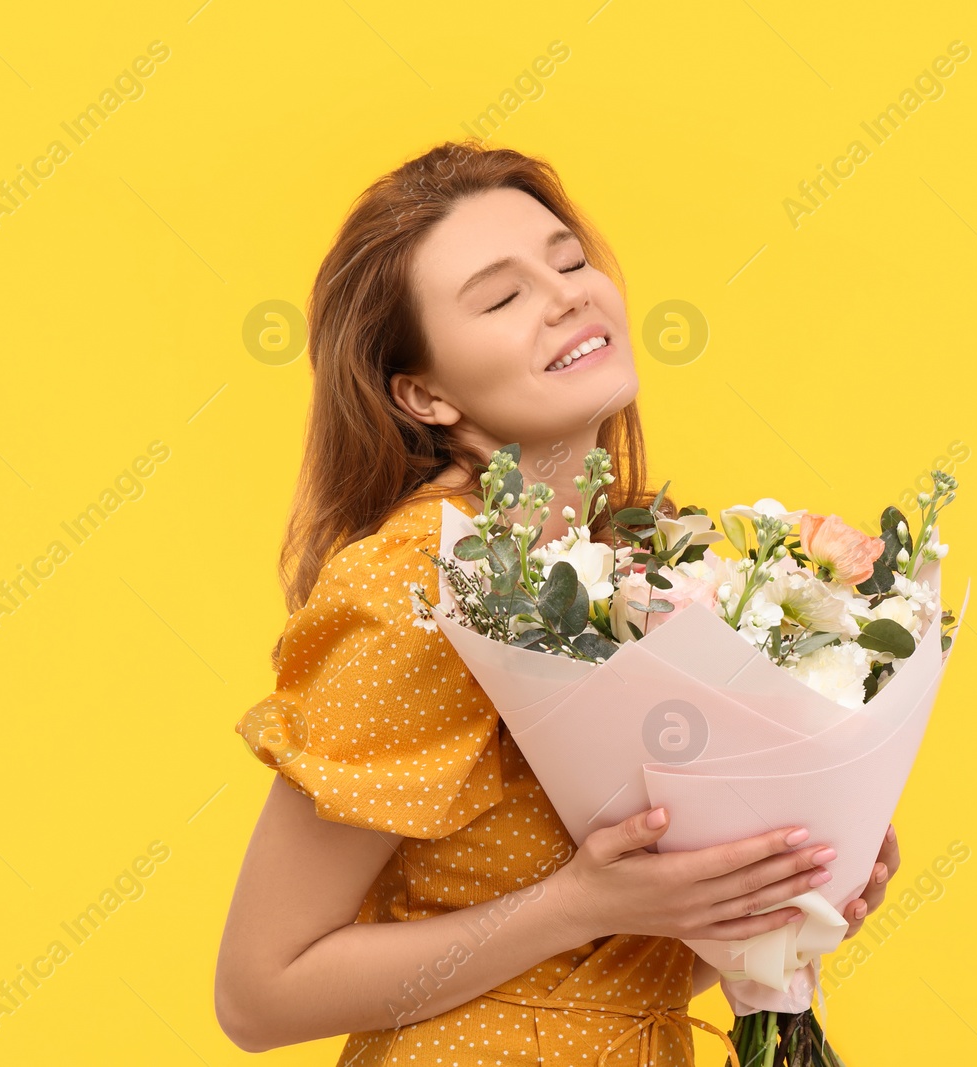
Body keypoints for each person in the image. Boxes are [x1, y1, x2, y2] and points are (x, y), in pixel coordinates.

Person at [217, 140, 901, 1064]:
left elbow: (593, 975)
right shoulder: (418, 582)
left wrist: (768, 901)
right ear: (423, 393)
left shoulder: (634, 561)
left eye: (569, 260)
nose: (567, 293)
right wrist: (583, 901)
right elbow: (260, 993)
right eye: (502, 298)